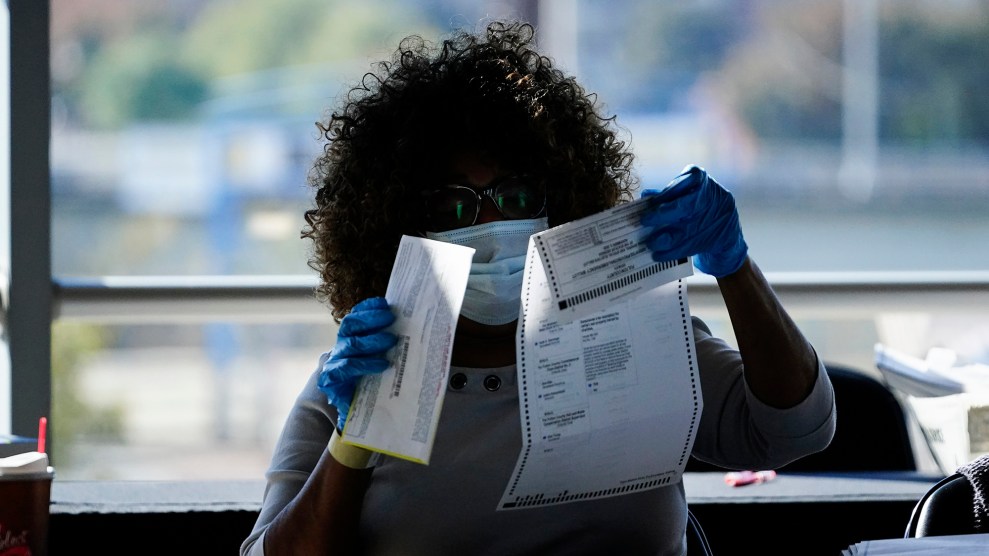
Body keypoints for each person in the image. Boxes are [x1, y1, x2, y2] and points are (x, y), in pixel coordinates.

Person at [241, 20, 836, 556]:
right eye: (452, 205)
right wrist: (357, 436)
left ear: (562, 207)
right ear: (395, 227)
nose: (489, 226)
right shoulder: (356, 382)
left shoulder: (632, 339)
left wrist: (735, 268)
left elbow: (793, 429)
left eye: (517, 197)